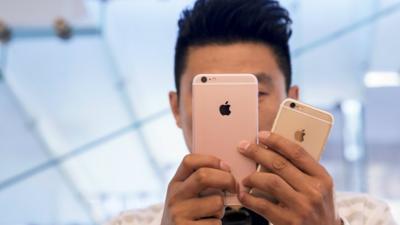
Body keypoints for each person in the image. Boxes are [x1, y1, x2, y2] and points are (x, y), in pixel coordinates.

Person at [106, 0, 397, 224]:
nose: (234, 114)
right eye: (212, 95)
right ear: (176, 108)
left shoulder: (364, 215)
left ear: (291, 100)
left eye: (255, 93)